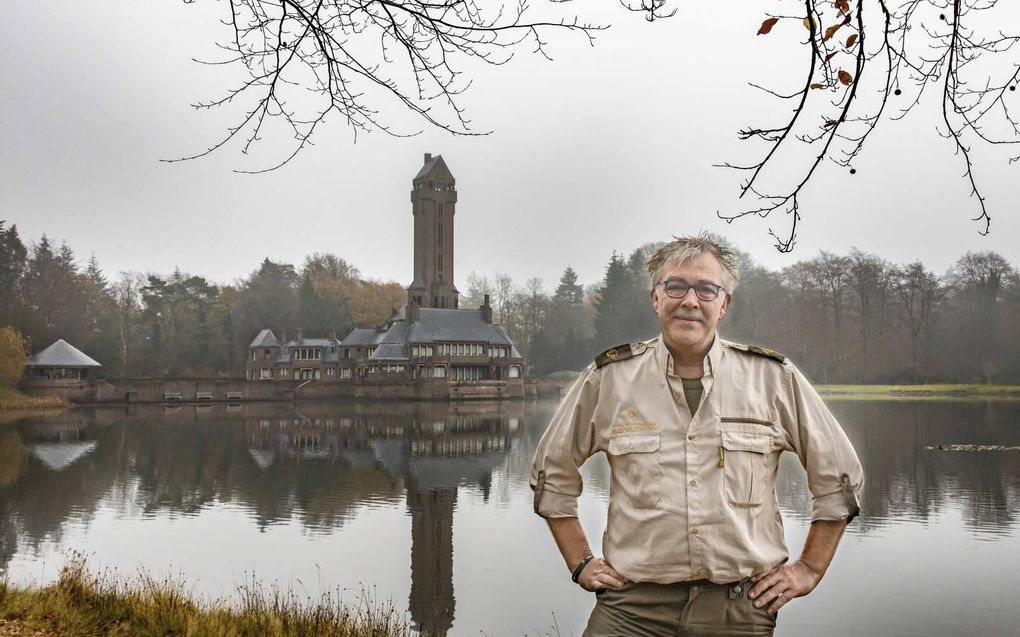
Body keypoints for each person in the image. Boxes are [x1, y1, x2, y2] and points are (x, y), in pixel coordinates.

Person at [530, 234, 863, 636]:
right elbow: (552, 475)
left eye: (706, 289)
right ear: (656, 298)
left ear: (724, 305)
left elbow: (838, 479)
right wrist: (580, 562)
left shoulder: (772, 379)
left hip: (738, 611)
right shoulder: (609, 379)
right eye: (675, 286)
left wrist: (809, 569)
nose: (690, 300)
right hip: (630, 609)